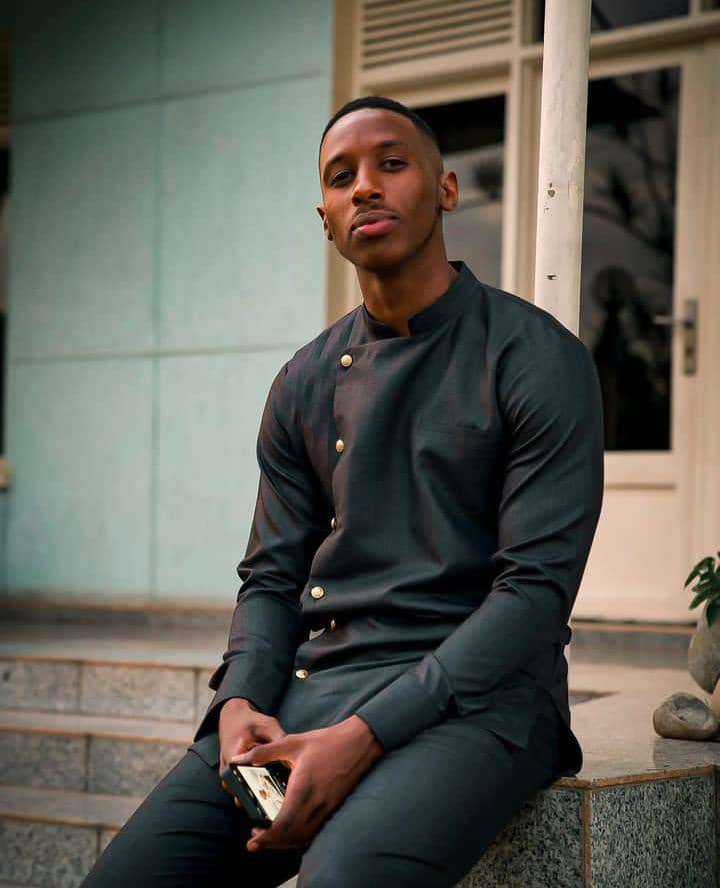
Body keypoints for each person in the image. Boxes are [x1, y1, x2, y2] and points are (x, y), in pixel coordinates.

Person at [81, 95, 604, 888]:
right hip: (315, 689)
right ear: (324, 218)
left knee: (346, 875)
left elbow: (534, 594)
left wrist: (366, 734)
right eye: (340, 176)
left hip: (487, 702)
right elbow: (271, 576)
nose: (365, 186)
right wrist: (240, 701)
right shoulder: (305, 380)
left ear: (447, 189)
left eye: (391, 164)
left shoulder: (534, 357)